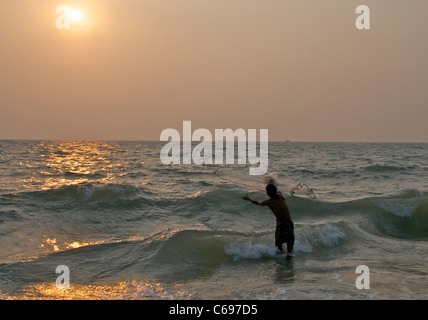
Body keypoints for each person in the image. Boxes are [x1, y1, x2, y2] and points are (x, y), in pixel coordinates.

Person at [242, 184, 295, 256]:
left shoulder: (269, 202)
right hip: (289, 223)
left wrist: (249, 199)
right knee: (290, 247)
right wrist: (272, 182)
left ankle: (282, 264)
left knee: (278, 245)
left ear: (267, 193)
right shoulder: (281, 197)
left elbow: (257, 202)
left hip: (281, 224)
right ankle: (289, 263)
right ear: (276, 191)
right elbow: (278, 192)